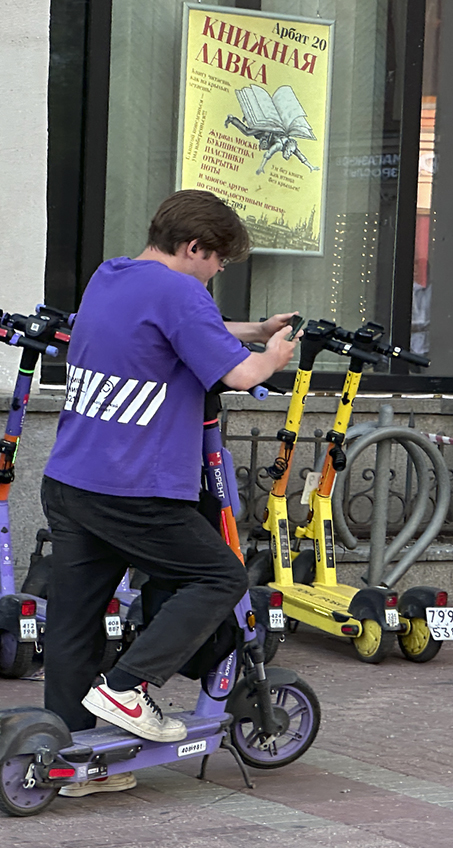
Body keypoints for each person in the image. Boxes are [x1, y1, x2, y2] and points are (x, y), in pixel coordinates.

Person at [40, 190, 299, 797]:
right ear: (193, 248)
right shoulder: (183, 293)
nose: (216, 274)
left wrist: (250, 328)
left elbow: (176, 328)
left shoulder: (112, 276)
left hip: (71, 480)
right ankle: (128, 689)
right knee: (220, 577)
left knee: (75, 622)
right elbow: (240, 374)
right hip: (134, 487)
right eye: (218, 263)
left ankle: (73, 761)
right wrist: (273, 352)